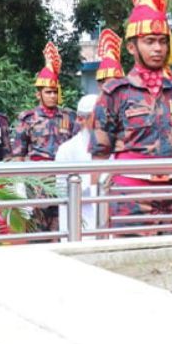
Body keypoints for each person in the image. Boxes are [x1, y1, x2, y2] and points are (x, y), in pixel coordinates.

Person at [91, 0, 172, 232]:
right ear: (132, 47)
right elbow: (99, 154)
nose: (158, 48)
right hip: (130, 196)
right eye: (149, 41)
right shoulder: (115, 93)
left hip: (171, 195)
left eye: (163, 41)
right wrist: (100, 204)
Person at [10, 42, 78, 162]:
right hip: (38, 174)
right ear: (38, 95)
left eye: (55, 92)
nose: (52, 96)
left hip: (64, 170)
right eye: (48, 92)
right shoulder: (28, 119)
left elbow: (79, 146)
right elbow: (18, 154)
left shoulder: (69, 116)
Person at [56, 94, 99, 239]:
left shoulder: (114, 147)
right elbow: (61, 191)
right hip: (79, 224)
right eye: (97, 118)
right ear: (81, 119)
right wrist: (91, 184)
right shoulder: (67, 149)